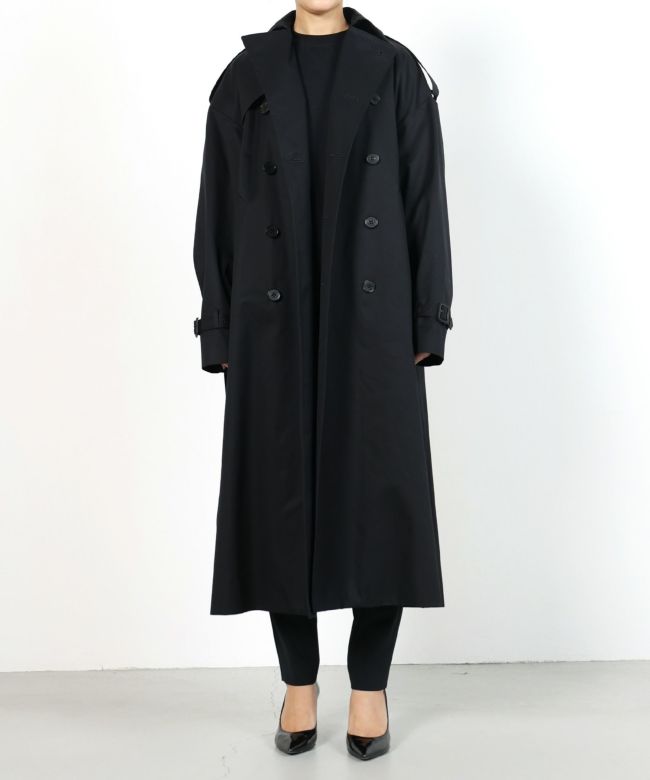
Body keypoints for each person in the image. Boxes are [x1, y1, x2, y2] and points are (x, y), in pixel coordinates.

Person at [192, 1, 453, 761]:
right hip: (272, 319)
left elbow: (425, 198)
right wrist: (220, 325)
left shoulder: (397, 71)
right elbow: (216, 207)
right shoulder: (245, 78)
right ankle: (298, 682)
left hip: (374, 320)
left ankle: (369, 686)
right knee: (282, 499)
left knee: (380, 499)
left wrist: (426, 321)